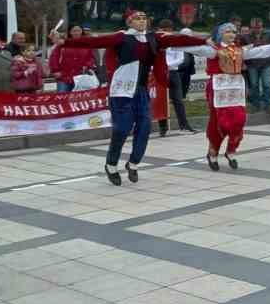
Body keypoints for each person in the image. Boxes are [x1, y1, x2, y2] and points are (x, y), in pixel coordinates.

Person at [60, 11, 205, 184]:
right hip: (122, 89)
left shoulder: (154, 38)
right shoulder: (122, 37)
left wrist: (204, 40)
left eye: (144, 18)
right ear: (130, 22)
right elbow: (93, 41)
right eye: (138, 18)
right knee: (122, 128)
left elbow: (179, 40)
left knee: (144, 128)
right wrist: (65, 42)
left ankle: (134, 163)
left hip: (141, 90)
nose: (142, 21)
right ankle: (111, 164)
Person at [178, 24, 270, 171]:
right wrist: (180, 39)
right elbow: (193, 48)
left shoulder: (240, 50)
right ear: (219, 34)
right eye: (228, 31)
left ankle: (231, 150)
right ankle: (213, 152)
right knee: (219, 122)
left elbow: (260, 51)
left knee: (239, 120)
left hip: (236, 90)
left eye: (233, 31)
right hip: (218, 90)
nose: (232, 34)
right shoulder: (213, 50)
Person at [157, 21, 197, 137]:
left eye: (168, 29)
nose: (165, 31)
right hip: (160, 73)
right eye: (163, 29)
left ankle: (184, 125)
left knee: (178, 100)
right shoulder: (155, 41)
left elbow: (180, 59)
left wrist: (168, 65)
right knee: (162, 101)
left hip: (173, 72)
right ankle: (162, 127)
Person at [50, 25, 96, 92]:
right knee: (62, 98)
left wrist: (87, 65)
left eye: (78, 30)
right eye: (74, 31)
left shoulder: (86, 44)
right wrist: (55, 70)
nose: (76, 33)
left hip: (80, 77)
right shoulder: (63, 43)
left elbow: (91, 58)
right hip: (64, 77)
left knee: (78, 100)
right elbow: (54, 57)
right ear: (70, 32)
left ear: (81, 32)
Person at [246, 16, 270, 113]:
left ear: (262, 27)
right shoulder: (247, 37)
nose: (257, 29)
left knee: (266, 84)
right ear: (251, 27)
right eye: (255, 28)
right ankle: (256, 105)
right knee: (254, 85)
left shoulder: (268, 36)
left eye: (259, 27)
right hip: (252, 65)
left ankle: (267, 105)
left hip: (265, 64)